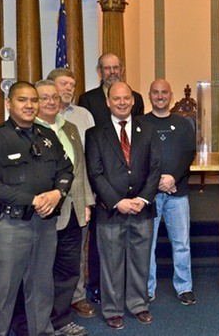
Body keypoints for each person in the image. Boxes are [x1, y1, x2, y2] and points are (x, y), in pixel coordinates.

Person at [0, 81, 74, 335]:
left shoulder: (48, 137)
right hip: (10, 227)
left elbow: (66, 170)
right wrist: (32, 200)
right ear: (8, 103)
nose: (30, 105)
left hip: (44, 226)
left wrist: (58, 193)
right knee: (2, 294)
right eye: (22, 100)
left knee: (42, 288)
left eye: (34, 100)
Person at [11, 80, 95, 336]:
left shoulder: (69, 128)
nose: (50, 102)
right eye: (44, 97)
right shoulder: (25, 131)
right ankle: (27, 324)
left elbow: (79, 170)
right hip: (41, 215)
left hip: (72, 212)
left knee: (68, 270)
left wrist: (86, 202)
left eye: (54, 97)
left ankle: (59, 320)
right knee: (34, 272)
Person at [85, 82, 161, 330]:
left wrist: (141, 199)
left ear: (133, 101)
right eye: (116, 98)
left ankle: (139, 305)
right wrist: (118, 201)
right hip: (111, 211)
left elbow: (155, 168)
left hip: (143, 209)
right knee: (111, 263)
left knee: (140, 260)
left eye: (126, 98)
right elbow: (95, 173)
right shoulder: (95, 134)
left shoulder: (148, 130)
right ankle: (112, 310)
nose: (121, 102)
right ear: (108, 102)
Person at [78, 53, 144, 305]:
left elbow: (139, 135)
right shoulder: (87, 99)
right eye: (107, 68)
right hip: (102, 178)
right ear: (100, 71)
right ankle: (96, 286)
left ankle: (129, 290)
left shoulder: (134, 98)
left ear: (122, 69)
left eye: (116, 67)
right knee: (99, 240)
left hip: (130, 175)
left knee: (132, 242)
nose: (112, 71)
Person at [139, 79, 197, 305]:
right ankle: (147, 288)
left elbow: (188, 154)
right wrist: (156, 182)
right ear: (149, 95)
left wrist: (173, 177)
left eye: (164, 92)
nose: (160, 96)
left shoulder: (183, 124)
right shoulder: (139, 123)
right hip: (148, 195)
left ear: (170, 95)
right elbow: (137, 157)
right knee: (147, 244)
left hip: (177, 192)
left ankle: (184, 287)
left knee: (181, 243)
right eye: (155, 92)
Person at [47, 68, 97, 319]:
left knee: (75, 254)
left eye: (72, 85)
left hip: (78, 198)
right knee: (47, 257)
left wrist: (88, 200)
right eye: (64, 83)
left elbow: (86, 163)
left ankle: (76, 297)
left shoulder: (82, 118)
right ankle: (47, 305)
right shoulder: (38, 121)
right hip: (48, 205)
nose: (69, 88)